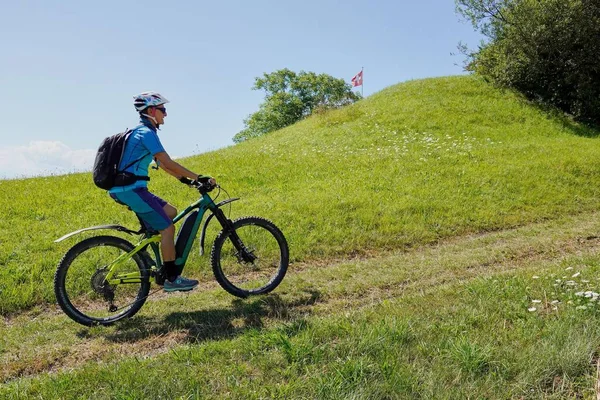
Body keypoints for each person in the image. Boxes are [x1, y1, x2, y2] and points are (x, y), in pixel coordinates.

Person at [108, 91, 215, 292]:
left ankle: (148, 254)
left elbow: (163, 166)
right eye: (162, 110)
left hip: (132, 188)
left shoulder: (144, 133)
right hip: (130, 189)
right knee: (167, 228)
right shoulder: (145, 133)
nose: (165, 114)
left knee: (171, 212)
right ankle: (171, 279)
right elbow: (167, 162)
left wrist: (186, 180)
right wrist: (198, 177)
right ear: (151, 111)